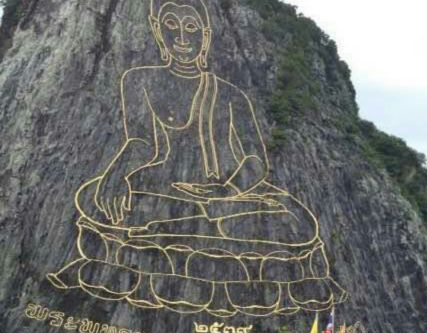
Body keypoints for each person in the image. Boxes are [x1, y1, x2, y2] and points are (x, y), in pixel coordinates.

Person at [48, 0, 346, 316]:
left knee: (293, 220)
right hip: (161, 190)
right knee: (101, 199)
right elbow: (141, 141)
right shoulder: (138, 79)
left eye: (191, 27)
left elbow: (255, 161)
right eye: (171, 25)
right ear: (157, 30)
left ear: (205, 36)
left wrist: (226, 192)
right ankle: (186, 235)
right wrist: (117, 172)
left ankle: (167, 236)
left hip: (226, 199)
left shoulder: (230, 94)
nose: (181, 37)